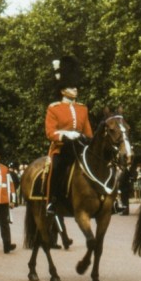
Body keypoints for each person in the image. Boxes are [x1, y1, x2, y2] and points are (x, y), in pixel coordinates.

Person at [44, 55, 93, 216]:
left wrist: (86, 139)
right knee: (56, 168)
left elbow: (88, 132)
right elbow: (50, 132)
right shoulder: (54, 108)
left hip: (79, 147)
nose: (76, 90)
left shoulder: (82, 108)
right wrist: (65, 136)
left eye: (76, 87)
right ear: (63, 90)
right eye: (72, 87)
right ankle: (52, 200)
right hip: (62, 148)